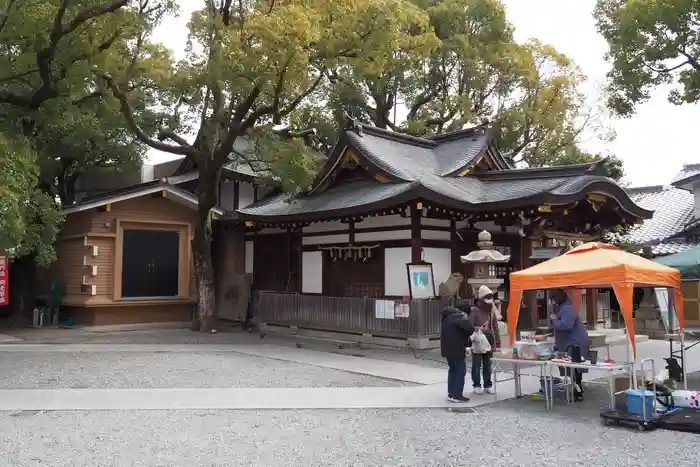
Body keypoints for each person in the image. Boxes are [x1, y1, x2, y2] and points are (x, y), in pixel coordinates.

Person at [550, 288, 590, 401]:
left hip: (575, 342)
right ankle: (576, 389)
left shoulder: (567, 308)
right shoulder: (562, 308)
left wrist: (554, 320)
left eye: (554, 299)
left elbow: (566, 326)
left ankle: (578, 391)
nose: (553, 302)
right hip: (570, 342)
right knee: (573, 367)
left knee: (575, 368)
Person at [469, 285, 501, 394]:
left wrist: (497, 342)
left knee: (488, 365)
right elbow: (469, 326)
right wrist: (478, 329)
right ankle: (476, 384)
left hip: (489, 340)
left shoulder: (491, 311)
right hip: (478, 340)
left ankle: (488, 384)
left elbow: (495, 327)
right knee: (476, 364)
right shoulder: (473, 311)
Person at [440, 306, 475, 403]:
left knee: (452, 370)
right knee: (460, 371)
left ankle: (451, 393)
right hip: (457, 350)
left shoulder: (446, 319)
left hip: (447, 350)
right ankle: (457, 394)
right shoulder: (458, 317)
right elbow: (470, 328)